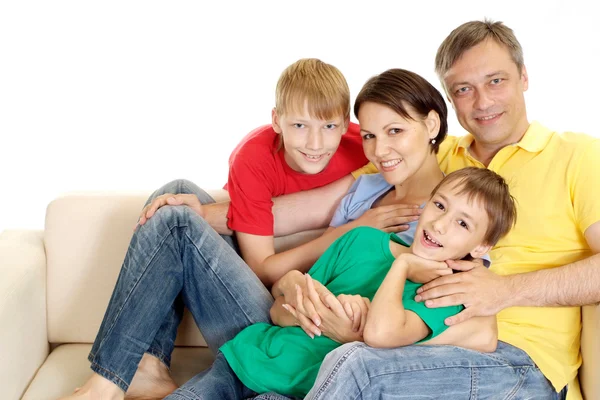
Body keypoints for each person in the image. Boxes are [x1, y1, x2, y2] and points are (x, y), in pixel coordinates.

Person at [303, 19, 600, 400]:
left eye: (496, 81)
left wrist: (505, 290)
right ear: (446, 101)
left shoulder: (579, 156)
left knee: (360, 367)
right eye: (464, 89)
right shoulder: (435, 153)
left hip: (517, 360)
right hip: (419, 336)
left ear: (524, 76)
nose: (483, 101)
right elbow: (334, 192)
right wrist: (217, 212)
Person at [59, 58, 388, 400]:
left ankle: (120, 377)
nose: (316, 143)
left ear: (345, 123)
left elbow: (421, 143)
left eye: (330, 127)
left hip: (293, 324)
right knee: (174, 191)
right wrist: (344, 232)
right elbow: (261, 269)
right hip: (270, 304)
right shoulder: (254, 157)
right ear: (277, 121)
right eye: (300, 126)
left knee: (176, 214)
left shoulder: (368, 146)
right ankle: (139, 369)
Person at [196, 167, 515, 399]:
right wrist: (316, 308)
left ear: (481, 247)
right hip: (245, 356)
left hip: (294, 388)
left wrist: (402, 265)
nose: (440, 224)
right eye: (440, 205)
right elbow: (279, 313)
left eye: (462, 223)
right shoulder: (362, 240)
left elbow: (378, 335)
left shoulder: (449, 292)